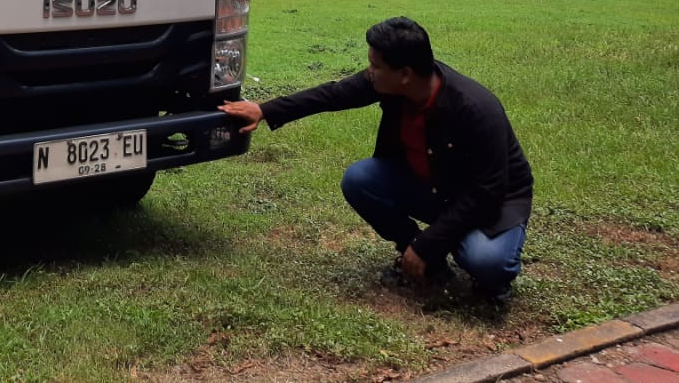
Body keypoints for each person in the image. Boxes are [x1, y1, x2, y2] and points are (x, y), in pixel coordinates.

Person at [219, 17, 532, 303]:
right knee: (361, 179)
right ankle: (428, 262)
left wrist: (427, 243)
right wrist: (264, 110)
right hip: (435, 188)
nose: (369, 72)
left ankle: (473, 273)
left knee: (486, 262)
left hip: (492, 203)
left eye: (375, 66)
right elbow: (333, 94)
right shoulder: (392, 85)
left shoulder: (475, 109)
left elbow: (487, 191)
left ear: (406, 74)